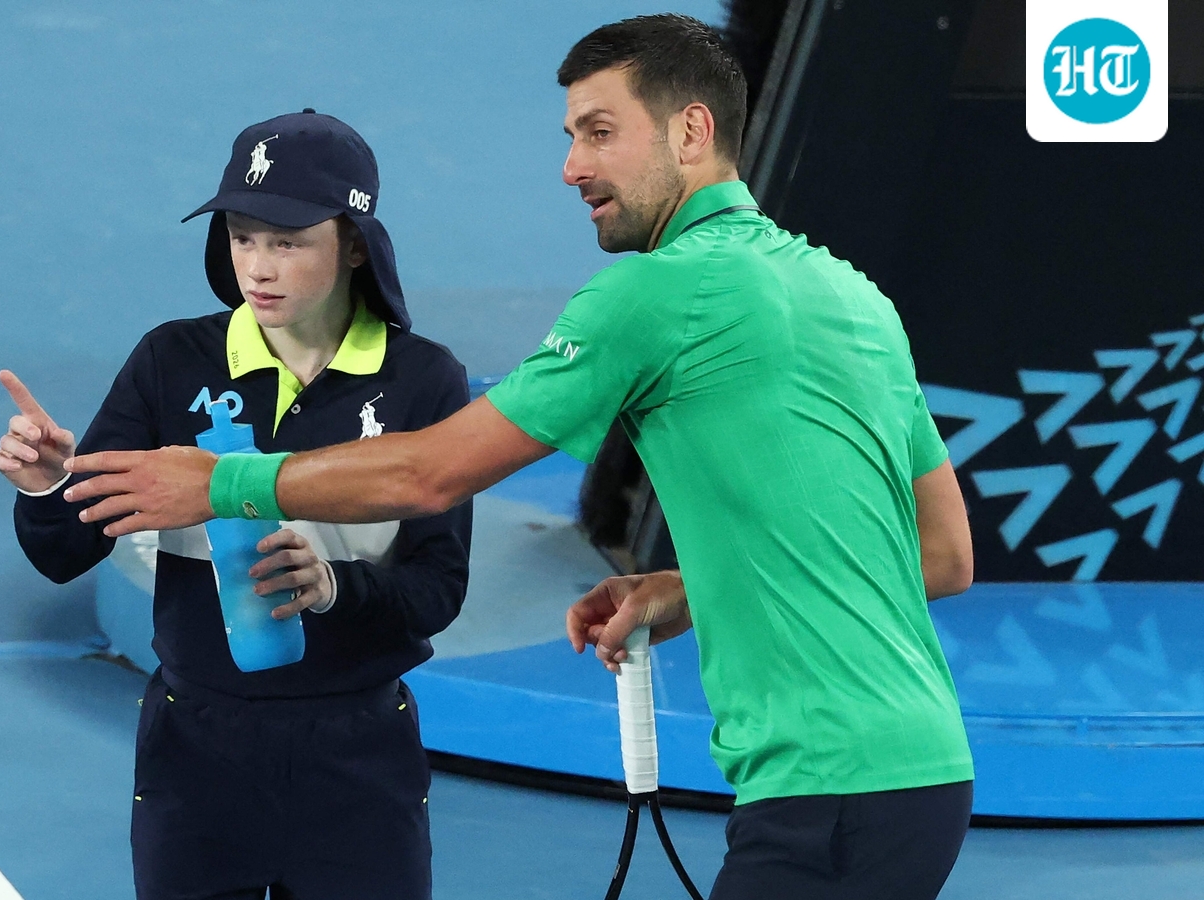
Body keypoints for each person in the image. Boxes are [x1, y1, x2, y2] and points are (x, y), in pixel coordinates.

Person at [58, 14, 977, 900]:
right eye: (571, 134)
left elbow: (433, 474)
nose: (571, 166)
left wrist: (221, 480)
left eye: (600, 132)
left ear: (691, 131)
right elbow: (940, 557)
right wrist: (686, 591)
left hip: (825, 792)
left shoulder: (653, 296)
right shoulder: (853, 296)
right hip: (924, 772)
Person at [0, 110, 472, 900]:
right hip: (196, 750)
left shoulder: (423, 383)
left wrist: (332, 588)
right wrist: (48, 484)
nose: (260, 266)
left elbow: (437, 590)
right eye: (243, 237)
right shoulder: (171, 363)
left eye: (288, 241)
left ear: (353, 242)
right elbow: (62, 553)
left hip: (357, 756)